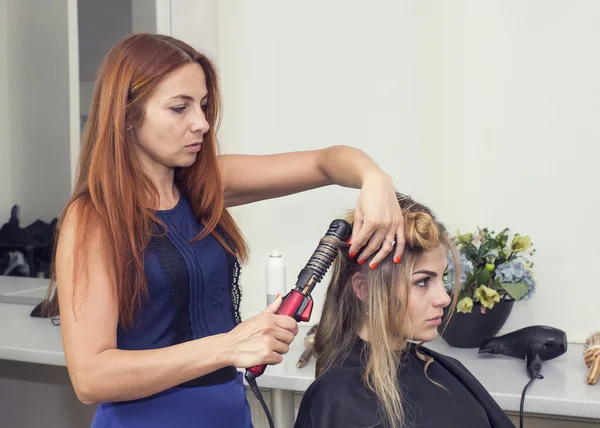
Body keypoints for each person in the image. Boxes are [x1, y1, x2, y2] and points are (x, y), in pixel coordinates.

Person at [41, 33, 405, 428]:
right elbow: (91, 377)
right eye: (179, 108)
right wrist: (231, 345)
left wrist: (374, 179)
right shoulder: (93, 218)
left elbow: (324, 163)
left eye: (202, 106)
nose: (200, 123)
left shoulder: (203, 186)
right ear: (128, 116)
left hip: (229, 414)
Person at [294, 193, 515, 428]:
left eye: (443, 278)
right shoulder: (336, 399)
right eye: (422, 282)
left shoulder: (446, 369)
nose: (443, 298)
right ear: (364, 288)